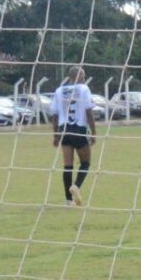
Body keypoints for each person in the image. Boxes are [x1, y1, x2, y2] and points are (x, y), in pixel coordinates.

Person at [51, 66, 98, 205]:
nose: (84, 78)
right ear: (77, 76)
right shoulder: (84, 89)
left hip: (64, 130)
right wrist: (93, 133)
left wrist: (55, 135)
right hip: (79, 129)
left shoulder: (59, 91)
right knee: (85, 163)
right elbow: (89, 112)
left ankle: (68, 200)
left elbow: (54, 115)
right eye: (83, 75)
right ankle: (76, 186)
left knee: (67, 166)